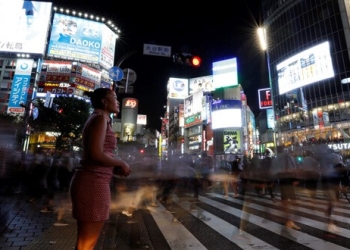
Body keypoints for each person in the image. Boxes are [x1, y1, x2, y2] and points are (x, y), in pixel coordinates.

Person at [69, 88, 131, 250]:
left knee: (86, 243)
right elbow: (96, 153)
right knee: (86, 245)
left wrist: (113, 164)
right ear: (104, 101)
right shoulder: (100, 119)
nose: (118, 101)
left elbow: (98, 153)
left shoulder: (101, 118)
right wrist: (120, 163)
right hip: (93, 182)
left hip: (95, 180)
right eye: (115, 98)